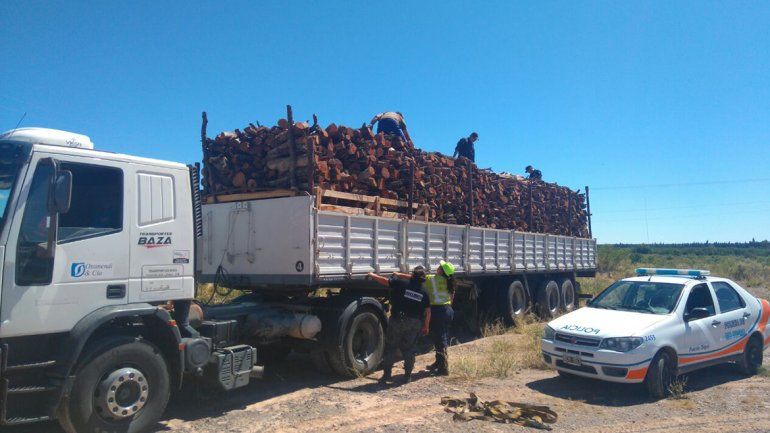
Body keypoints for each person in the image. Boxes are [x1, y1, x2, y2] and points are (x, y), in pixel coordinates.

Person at [367, 266, 431, 384]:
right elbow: (428, 311)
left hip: (398, 320)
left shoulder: (402, 284)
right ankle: (407, 376)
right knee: (409, 349)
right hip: (415, 323)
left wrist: (372, 275)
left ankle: (387, 375)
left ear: (412, 275)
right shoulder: (424, 292)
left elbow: (385, 281)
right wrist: (426, 326)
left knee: (391, 347)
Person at [424, 260, 456, 376]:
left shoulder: (432, 279)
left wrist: (398, 274)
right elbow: (452, 296)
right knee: (441, 337)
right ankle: (438, 363)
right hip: (447, 310)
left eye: (439, 267)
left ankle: (443, 368)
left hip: (438, 311)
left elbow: (415, 278)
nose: (437, 268)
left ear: (441, 271)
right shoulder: (449, 281)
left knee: (440, 339)